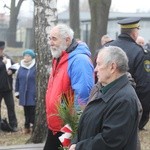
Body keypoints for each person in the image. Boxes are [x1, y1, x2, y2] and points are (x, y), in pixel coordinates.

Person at [69, 46, 142, 150]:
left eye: (99, 64)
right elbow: (87, 123)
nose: (95, 69)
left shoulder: (124, 100)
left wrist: (79, 147)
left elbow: (110, 141)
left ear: (112, 67)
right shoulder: (101, 88)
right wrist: (75, 141)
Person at [44, 24, 94, 150]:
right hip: (56, 126)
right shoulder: (59, 56)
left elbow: (83, 96)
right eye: (50, 38)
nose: (50, 43)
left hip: (68, 127)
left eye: (54, 39)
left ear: (67, 40)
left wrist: (73, 130)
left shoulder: (79, 60)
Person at [105, 17, 150, 130]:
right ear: (134, 32)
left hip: (104, 105)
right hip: (128, 108)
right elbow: (144, 87)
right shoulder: (140, 53)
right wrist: (142, 118)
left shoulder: (106, 47)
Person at [15, 49, 36, 134]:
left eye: (28, 56)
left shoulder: (35, 67)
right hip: (23, 93)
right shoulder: (21, 67)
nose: (26, 57)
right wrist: (17, 91)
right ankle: (26, 127)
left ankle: (33, 126)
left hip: (32, 93)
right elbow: (17, 80)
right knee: (26, 111)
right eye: (25, 55)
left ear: (32, 57)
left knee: (32, 111)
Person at [0, 41, 18, 132]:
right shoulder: (3, 60)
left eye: (2, 49)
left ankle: (13, 125)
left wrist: (11, 70)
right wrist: (3, 64)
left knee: (11, 106)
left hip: (7, 88)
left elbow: (16, 66)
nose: (1, 51)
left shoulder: (6, 58)